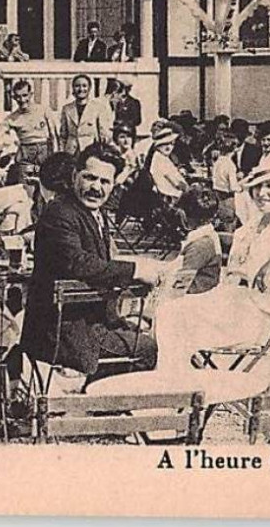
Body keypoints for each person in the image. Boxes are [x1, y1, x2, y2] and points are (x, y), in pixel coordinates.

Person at [151, 160, 270, 376]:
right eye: (257, 186)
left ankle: (175, 385)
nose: (261, 193)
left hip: (253, 316)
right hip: (228, 302)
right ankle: (179, 383)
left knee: (172, 316)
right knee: (167, 310)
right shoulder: (254, 224)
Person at [21, 142, 164, 380]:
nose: (96, 187)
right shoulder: (60, 212)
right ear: (75, 175)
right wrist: (136, 270)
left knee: (144, 334)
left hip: (91, 321)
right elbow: (79, 263)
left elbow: (96, 264)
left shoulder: (91, 213)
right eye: (90, 178)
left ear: (114, 184)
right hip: (62, 330)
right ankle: (102, 403)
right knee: (149, 349)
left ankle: (99, 399)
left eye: (105, 182)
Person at [171, 186, 223, 295]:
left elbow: (180, 285)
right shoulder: (208, 234)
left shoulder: (200, 245)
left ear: (185, 215)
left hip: (195, 295)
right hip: (199, 289)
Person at [57, 74, 113, 154]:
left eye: (84, 86)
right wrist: (62, 153)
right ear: (73, 88)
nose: (81, 89)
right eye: (77, 86)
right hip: (71, 152)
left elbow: (104, 134)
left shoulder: (98, 107)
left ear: (89, 88)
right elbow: (63, 135)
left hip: (91, 150)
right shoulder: (67, 109)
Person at [4, 80, 55, 166]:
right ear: (14, 98)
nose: (22, 100)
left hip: (44, 151)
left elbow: (53, 135)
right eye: (18, 97)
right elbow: (2, 138)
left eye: (25, 95)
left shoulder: (43, 110)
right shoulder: (11, 118)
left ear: (30, 94)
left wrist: (55, 155)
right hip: (25, 153)